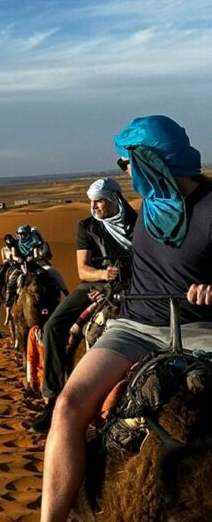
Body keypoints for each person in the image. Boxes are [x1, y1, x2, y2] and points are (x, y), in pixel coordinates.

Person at [41, 115, 212, 522]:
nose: (126, 171)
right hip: (134, 325)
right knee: (67, 406)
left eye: (127, 161)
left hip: (202, 331)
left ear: (153, 160)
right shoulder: (150, 208)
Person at [29, 178, 137, 432]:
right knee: (54, 326)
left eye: (99, 201)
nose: (95, 207)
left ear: (114, 199)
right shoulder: (87, 227)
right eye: (92, 202)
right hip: (96, 285)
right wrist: (103, 276)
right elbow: (83, 270)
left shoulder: (138, 224)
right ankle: (53, 397)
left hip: (137, 286)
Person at [5, 225, 39, 307]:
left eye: (22, 233)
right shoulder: (15, 243)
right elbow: (13, 255)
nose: (20, 235)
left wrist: (32, 257)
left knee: (46, 279)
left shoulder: (34, 243)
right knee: (11, 284)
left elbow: (36, 254)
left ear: (27, 234)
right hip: (19, 266)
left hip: (32, 266)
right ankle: (8, 304)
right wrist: (17, 259)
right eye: (18, 234)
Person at [29, 229, 69, 295]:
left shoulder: (43, 244)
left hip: (42, 265)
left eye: (35, 235)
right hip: (29, 266)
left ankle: (66, 294)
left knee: (57, 275)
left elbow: (49, 255)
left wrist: (40, 257)